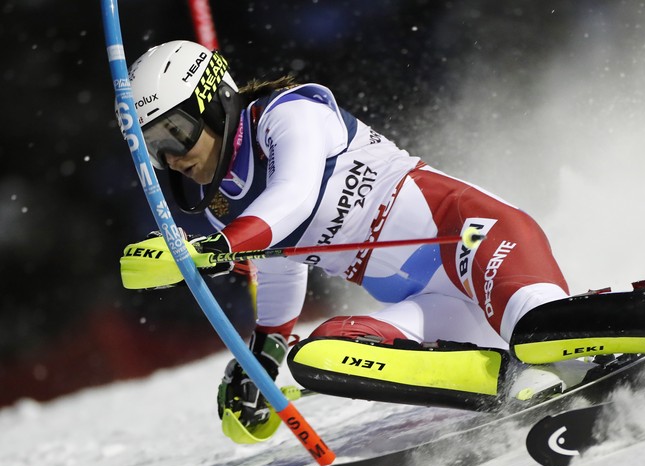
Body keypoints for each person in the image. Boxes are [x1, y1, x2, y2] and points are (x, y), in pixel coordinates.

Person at [125, 40, 579, 431]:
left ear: (212, 100)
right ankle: (512, 380)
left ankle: (615, 331)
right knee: (321, 355)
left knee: (540, 329)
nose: (171, 157)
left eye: (175, 133)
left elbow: (295, 194)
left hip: (475, 240)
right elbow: (281, 271)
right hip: (436, 304)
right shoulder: (229, 205)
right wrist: (259, 363)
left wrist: (216, 249)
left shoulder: (288, 114)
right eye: (154, 146)